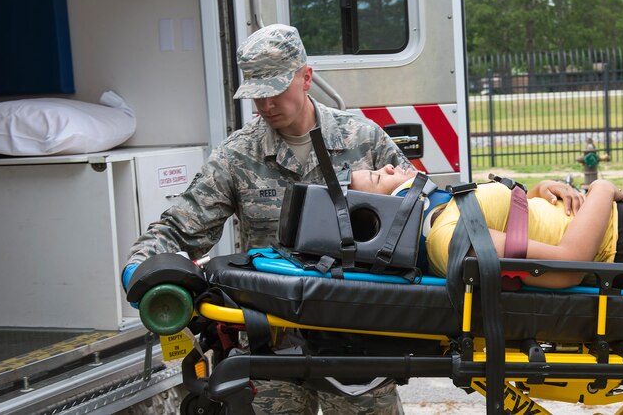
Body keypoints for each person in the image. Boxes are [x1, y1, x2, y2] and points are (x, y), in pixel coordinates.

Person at [123, 24, 412, 414]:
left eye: (275, 90)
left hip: (356, 338)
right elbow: (180, 228)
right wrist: (140, 267)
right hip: (272, 344)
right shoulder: (238, 155)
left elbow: (416, 211)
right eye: (257, 95)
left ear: (306, 77)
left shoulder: (363, 140)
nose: (265, 105)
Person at [350, 167, 623, 294]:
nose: (387, 168)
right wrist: (601, 190)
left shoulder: (441, 218)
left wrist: (539, 191)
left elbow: (512, 228)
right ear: (380, 215)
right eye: (375, 177)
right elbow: (567, 265)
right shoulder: (447, 238)